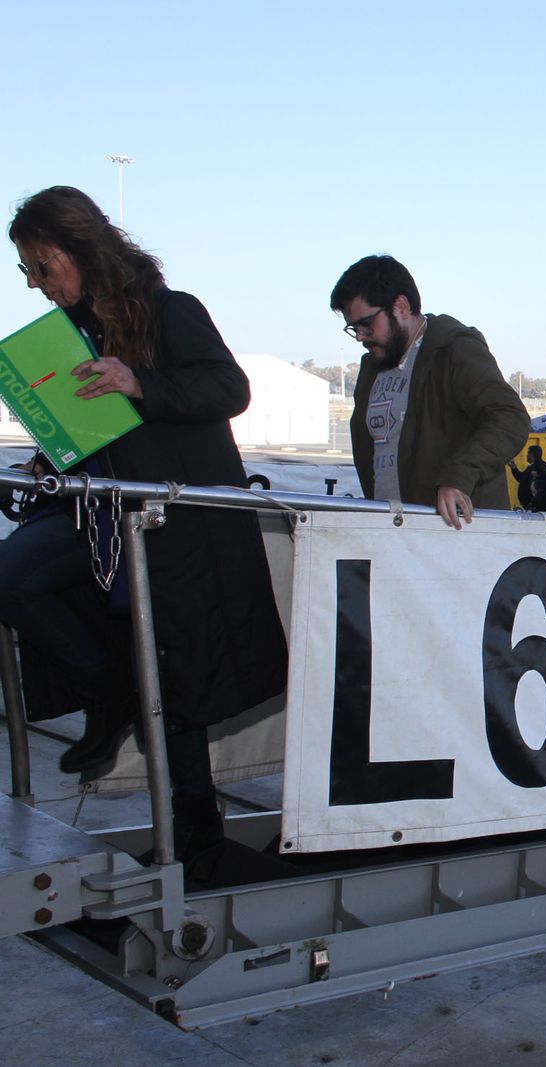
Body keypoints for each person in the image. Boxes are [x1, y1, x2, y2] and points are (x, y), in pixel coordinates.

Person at [4, 185, 287, 865]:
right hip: (98, 514)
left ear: (82, 249)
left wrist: (139, 383)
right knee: (12, 576)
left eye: (44, 266)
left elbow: (228, 388)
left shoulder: (171, 312)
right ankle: (108, 687)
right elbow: (100, 433)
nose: (39, 285)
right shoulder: (70, 337)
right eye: (28, 273)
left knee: (176, 678)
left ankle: (198, 834)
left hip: (176, 529)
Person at [331, 255, 528, 529]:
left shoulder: (455, 350)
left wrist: (459, 477)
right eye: (354, 329)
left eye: (366, 324)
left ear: (400, 306)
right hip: (393, 531)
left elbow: (511, 419)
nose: (361, 337)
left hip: (457, 534)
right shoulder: (371, 367)